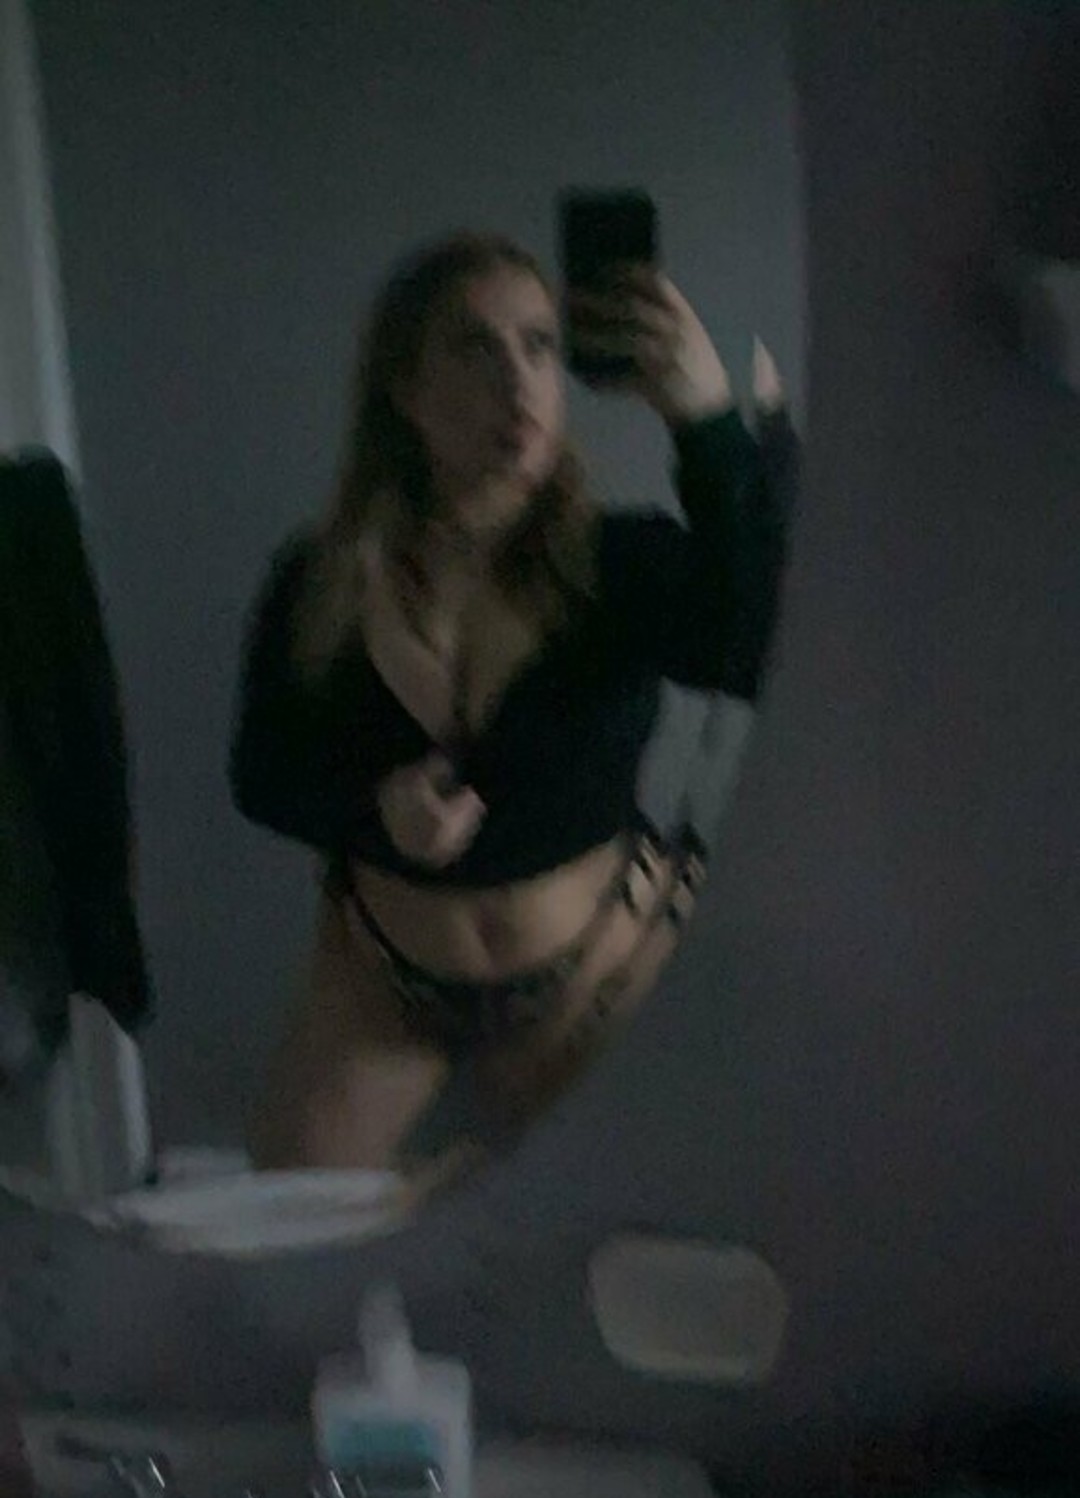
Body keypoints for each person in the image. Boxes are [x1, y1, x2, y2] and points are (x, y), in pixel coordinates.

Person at [230, 230, 798, 1174]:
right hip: (384, 987)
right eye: (476, 347)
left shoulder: (620, 562)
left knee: (635, 1226)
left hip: (599, 977)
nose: (519, 381)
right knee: (292, 1209)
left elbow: (765, 654)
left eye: (539, 346)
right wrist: (376, 815)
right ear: (405, 389)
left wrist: (704, 422)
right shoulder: (318, 580)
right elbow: (262, 773)